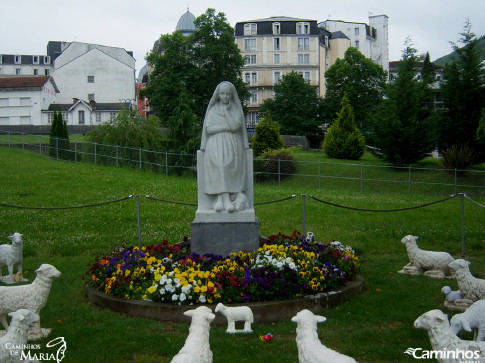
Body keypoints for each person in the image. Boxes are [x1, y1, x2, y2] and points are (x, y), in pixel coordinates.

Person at [200, 81, 249, 213]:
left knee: (227, 165)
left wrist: (227, 113)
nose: (225, 96)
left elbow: (235, 127)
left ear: (232, 95)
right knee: (220, 165)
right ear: (218, 94)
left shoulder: (234, 109)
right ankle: (226, 200)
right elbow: (209, 129)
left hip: (233, 145)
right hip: (215, 145)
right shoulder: (213, 109)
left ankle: (220, 200)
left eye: (228, 94)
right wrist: (226, 127)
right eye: (223, 93)